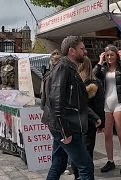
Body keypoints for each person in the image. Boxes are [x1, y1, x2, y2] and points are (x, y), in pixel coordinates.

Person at [41, 36, 101, 180]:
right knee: (86, 166)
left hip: (65, 124)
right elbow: (56, 101)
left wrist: (93, 117)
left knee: (59, 163)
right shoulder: (63, 67)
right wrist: (64, 132)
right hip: (66, 126)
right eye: (82, 49)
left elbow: (76, 101)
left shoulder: (70, 68)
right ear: (72, 51)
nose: (85, 52)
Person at [93, 44, 121, 175]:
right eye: (108, 55)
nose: (110, 57)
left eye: (112, 55)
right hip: (106, 104)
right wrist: (100, 61)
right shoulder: (103, 68)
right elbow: (95, 74)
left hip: (120, 103)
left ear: (116, 55)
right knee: (107, 135)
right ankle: (110, 161)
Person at [71, 56, 106, 180]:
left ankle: (77, 176)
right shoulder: (95, 84)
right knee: (87, 153)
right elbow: (99, 105)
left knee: (75, 152)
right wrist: (101, 123)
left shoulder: (73, 82)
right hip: (89, 123)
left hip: (74, 123)